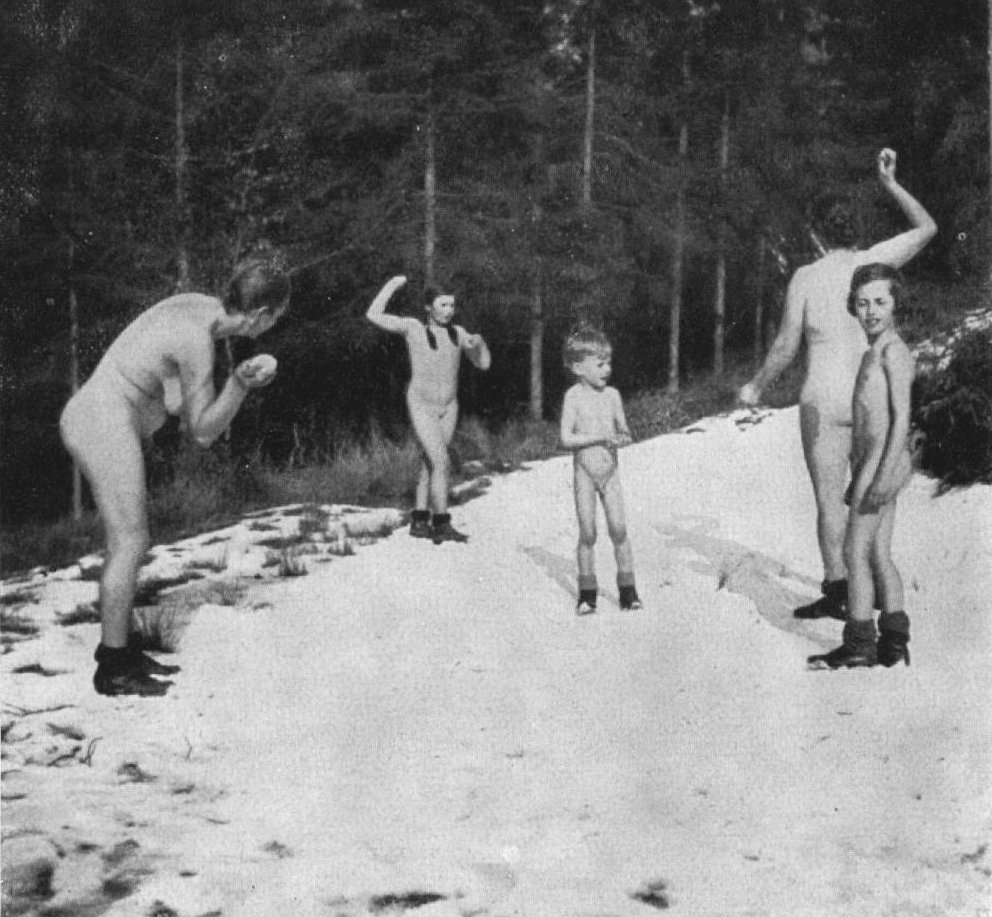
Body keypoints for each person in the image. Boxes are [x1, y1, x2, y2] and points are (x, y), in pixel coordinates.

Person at [60, 261, 290, 697]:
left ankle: (120, 651)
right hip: (100, 419)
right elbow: (203, 432)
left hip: (97, 414)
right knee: (130, 541)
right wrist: (239, 386)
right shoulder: (198, 341)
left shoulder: (197, 308)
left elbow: (172, 396)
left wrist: (226, 383)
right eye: (277, 317)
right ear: (261, 315)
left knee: (130, 539)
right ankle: (113, 668)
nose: (274, 324)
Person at [739, 149, 936, 620]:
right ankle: (877, 587)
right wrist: (890, 184)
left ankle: (839, 591)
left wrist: (756, 386)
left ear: (816, 233)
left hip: (823, 400)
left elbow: (787, 345)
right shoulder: (876, 263)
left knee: (830, 502)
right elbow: (928, 227)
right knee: (873, 497)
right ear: (857, 229)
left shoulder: (806, 278)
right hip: (871, 398)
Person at [808, 264, 914, 669]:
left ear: (895, 304)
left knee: (854, 552)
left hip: (883, 459)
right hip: (873, 460)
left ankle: (859, 643)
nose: (871, 311)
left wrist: (883, 475)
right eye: (863, 302)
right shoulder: (873, 352)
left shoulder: (893, 353)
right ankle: (894, 640)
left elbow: (901, 420)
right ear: (853, 305)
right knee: (879, 552)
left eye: (880, 302)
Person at [366, 275, 491, 544]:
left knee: (431, 462)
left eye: (451, 305)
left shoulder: (458, 333)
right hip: (422, 405)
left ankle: (419, 519)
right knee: (441, 461)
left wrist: (479, 344)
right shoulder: (413, 328)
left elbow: (483, 364)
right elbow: (373, 314)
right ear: (427, 307)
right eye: (442, 305)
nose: (448, 310)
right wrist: (393, 285)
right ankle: (441, 523)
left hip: (449, 407)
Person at [560, 326, 641, 615]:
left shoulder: (613, 396)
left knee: (619, 529)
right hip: (584, 472)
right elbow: (566, 438)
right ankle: (587, 594)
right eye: (600, 364)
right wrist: (598, 437)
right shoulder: (573, 397)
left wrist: (621, 438)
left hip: (610, 472)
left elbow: (625, 432)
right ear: (578, 367)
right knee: (588, 533)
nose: (607, 369)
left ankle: (628, 590)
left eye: (608, 363)